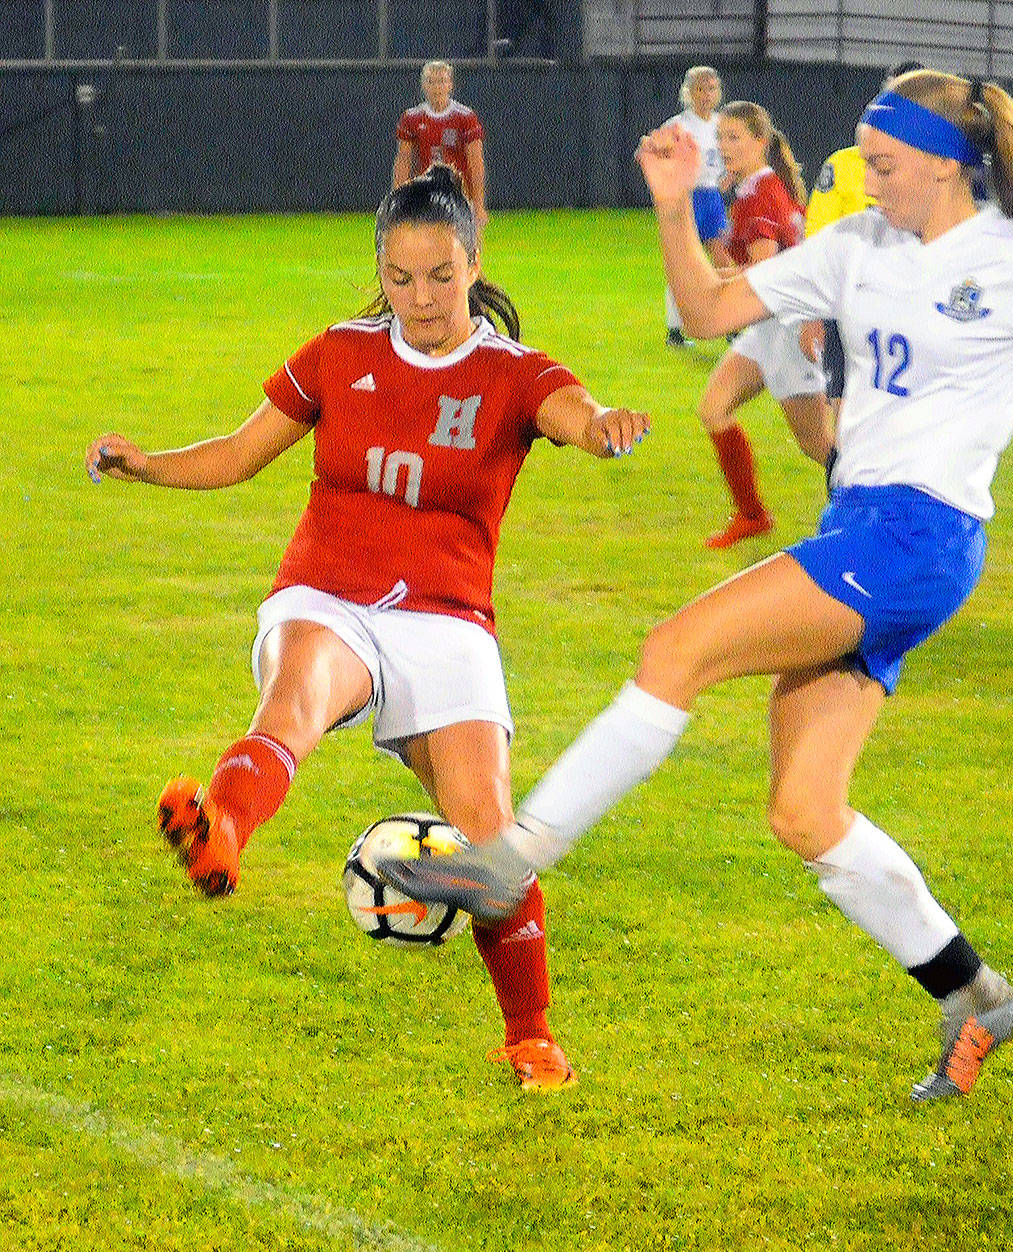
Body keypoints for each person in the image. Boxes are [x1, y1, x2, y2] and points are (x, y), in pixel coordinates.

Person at [379, 70, 1013, 1102]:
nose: (865, 179)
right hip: (857, 526)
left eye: (884, 163)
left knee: (674, 648)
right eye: (860, 160)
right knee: (806, 812)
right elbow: (708, 306)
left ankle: (507, 859)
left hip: (918, 537)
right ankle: (975, 995)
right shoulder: (857, 247)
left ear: (945, 162)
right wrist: (675, 207)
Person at [84, 166, 649, 1093]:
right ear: (379, 274)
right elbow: (237, 454)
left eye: (438, 275)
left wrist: (604, 427)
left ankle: (531, 1035)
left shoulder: (513, 373)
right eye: (399, 278)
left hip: (448, 618)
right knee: (296, 697)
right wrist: (145, 463)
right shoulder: (339, 354)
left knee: (488, 838)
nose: (420, 299)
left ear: (473, 263)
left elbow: (574, 413)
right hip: (329, 592)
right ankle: (221, 824)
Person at [694, 100, 829, 549]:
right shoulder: (752, 189)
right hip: (769, 324)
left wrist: (706, 284)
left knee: (820, 446)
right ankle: (752, 515)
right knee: (714, 408)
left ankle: (877, 513)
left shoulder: (763, 194)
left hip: (789, 326)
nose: (724, 146)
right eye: (721, 137)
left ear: (760, 142)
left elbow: (763, 272)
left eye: (735, 137)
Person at [800, 62, 924, 417]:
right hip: (849, 306)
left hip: (911, 309)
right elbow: (818, 240)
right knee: (840, 417)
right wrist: (814, 312)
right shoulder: (843, 165)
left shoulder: (937, 167)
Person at [662, 66, 727, 348]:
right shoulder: (679, 125)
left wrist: (729, 177)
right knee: (683, 261)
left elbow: (730, 157)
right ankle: (675, 329)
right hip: (687, 199)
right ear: (688, 93)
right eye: (700, 89)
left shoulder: (722, 124)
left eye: (711, 88)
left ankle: (728, 322)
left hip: (712, 197)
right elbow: (659, 156)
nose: (706, 95)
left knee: (723, 259)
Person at [393, 61, 487, 230]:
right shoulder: (411, 118)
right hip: (426, 194)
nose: (437, 87)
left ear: (450, 84)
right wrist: (398, 200)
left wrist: (478, 205)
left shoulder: (465, 117)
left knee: (465, 249)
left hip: (458, 195)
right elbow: (404, 161)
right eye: (431, 81)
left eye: (441, 81)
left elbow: (476, 162)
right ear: (423, 85)